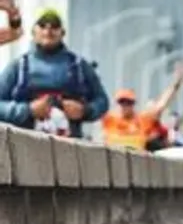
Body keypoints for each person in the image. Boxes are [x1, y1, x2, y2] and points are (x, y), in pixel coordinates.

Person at [0, 8, 108, 138]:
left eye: (54, 26)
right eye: (43, 25)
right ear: (34, 31)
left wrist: (84, 110)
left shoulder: (79, 66)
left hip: (71, 150)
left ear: (62, 32)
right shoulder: (18, 66)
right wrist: (27, 110)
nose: (48, 30)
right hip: (24, 148)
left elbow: (102, 101)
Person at [101, 63, 183, 151]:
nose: (125, 106)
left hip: (135, 160)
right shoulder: (110, 119)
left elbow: (160, 106)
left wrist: (176, 84)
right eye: (122, 102)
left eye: (128, 102)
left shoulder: (142, 120)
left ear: (133, 104)